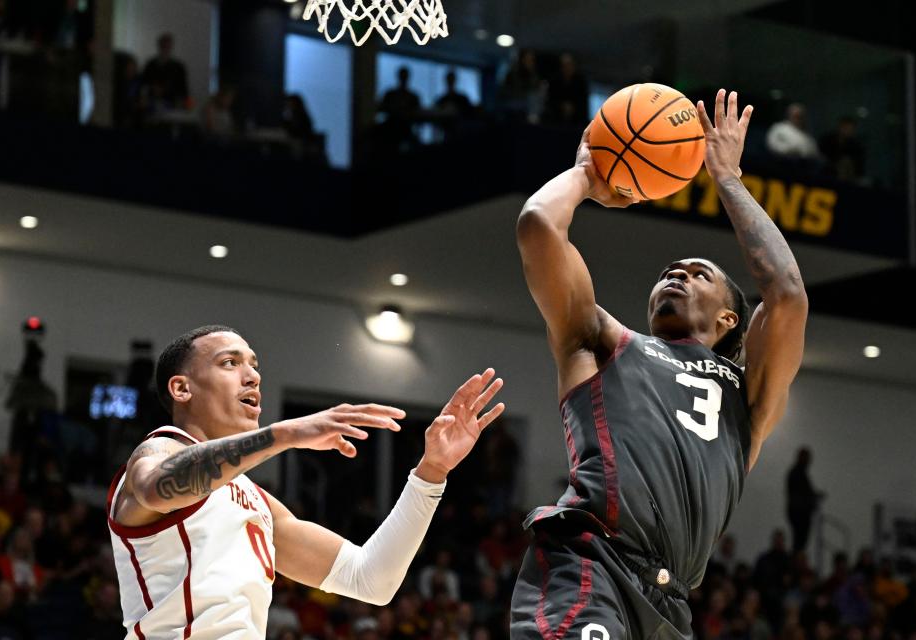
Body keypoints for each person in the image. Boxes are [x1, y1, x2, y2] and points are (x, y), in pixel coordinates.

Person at [511, 89, 808, 639]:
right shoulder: (603, 342)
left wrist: (728, 178)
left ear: (728, 322)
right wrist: (584, 173)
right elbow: (538, 226)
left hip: (669, 606)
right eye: (672, 268)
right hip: (590, 565)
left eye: (700, 273)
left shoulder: (748, 396)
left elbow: (786, 292)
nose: (679, 272)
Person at [106, 325, 504, 639]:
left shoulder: (254, 500)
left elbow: (370, 579)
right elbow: (156, 487)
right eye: (230, 363)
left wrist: (431, 472)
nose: (252, 377)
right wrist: (286, 434)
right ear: (182, 388)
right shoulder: (158, 450)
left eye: (255, 365)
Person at [786, 447, 822, 553]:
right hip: (800, 513)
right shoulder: (798, 473)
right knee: (800, 542)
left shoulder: (797, 472)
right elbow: (801, 492)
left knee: (800, 542)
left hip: (799, 512)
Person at [142, 33, 189, 112]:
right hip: (152, 103)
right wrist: (153, 88)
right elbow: (144, 83)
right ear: (159, 46)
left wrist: (183, 102)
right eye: (163, 46)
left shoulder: (178, 67)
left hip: (172, 102)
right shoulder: (150, 65)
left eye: (167, 46)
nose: (165, 49)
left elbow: (183, 88)